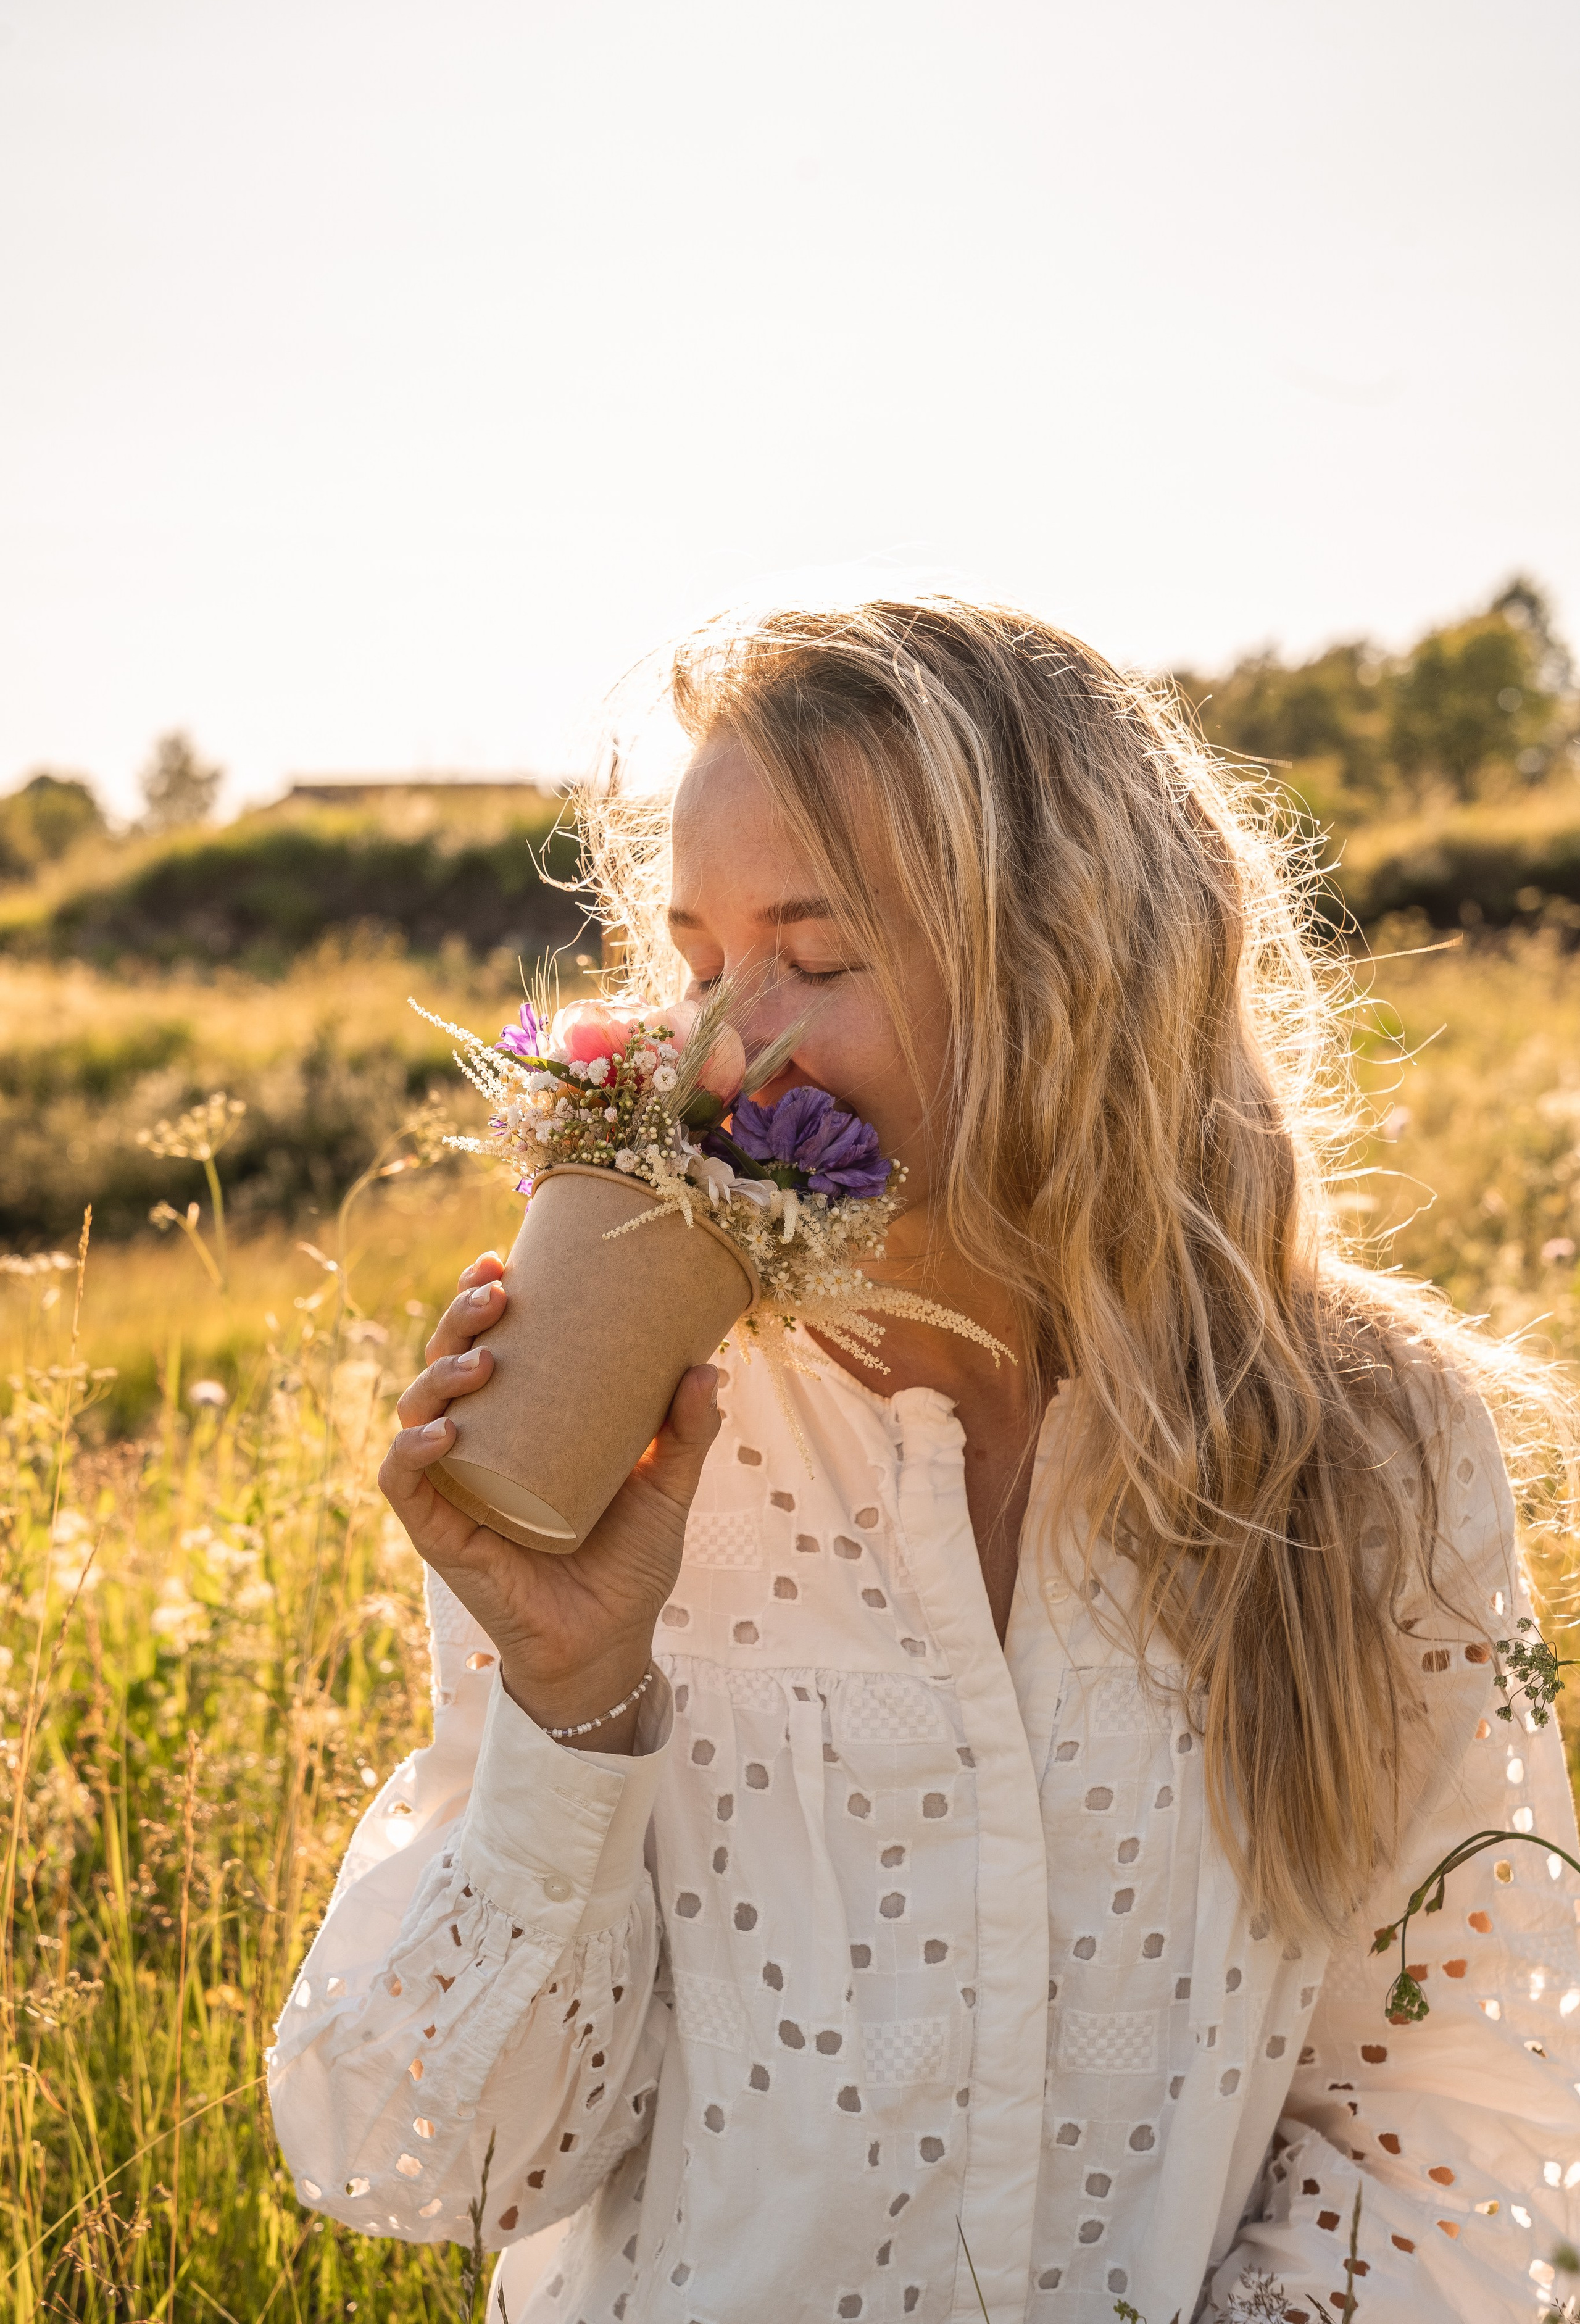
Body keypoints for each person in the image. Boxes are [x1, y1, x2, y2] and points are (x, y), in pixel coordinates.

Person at [269, 597, 1580, 2322]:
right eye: (699, 963)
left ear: (1078, 971)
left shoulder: (1373, 1445)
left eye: (819, 960)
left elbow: (1463, 2112)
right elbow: (426, 2166)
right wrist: (569, 1702)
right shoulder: (637, 1431)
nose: (729, 1050)